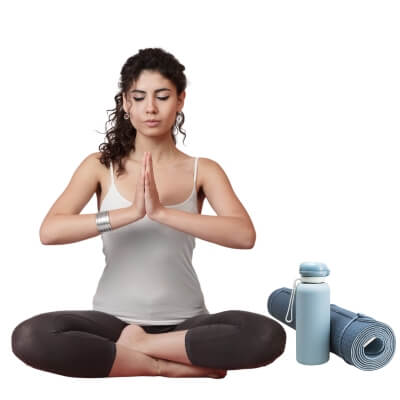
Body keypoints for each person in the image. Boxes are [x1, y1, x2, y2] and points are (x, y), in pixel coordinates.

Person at [11, 48, 286, 379]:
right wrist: (128, 213)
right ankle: (161, 364)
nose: (151, 108)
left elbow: (244, 235)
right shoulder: (100, 166)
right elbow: (50, 231)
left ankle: (142, 349)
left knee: (265, 336)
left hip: (187, 323)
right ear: (126, 103)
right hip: (113, 323)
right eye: (139, 97)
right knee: (29, 337)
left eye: (163, 96)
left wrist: (162, 213)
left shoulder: (204, 170)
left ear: (180, 100)